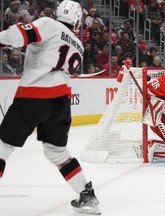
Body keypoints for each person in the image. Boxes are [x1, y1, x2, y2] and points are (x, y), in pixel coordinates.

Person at [0, 1, 101, 215]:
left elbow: (17, 35)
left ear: (57, 13)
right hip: (61, 102)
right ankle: (87, 194)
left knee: (2, 147)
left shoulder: (48, 23)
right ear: (76, 20)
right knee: (57, 151)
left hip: (34, 95)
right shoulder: (79, 45)